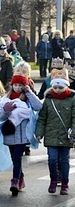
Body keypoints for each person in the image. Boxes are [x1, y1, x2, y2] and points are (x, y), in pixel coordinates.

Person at [0, 73, 43, 196]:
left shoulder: (27, 99)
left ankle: (14, 182)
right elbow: (0, 116)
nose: (17, 87)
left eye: (20, 85)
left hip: (23, 134)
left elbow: (38, 106)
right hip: (10, 133)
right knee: (14, 158)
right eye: (15, 85)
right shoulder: (6, 98)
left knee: (17, 157)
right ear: (12, 85)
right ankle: (20, 178)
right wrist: (6, 111)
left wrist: (29, 92)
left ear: (24, 86)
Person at [35, 67, 75, 195]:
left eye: (60, 88)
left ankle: (65, 183)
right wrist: (39, 133)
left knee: (64, 160)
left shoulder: (72, 99)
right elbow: (42, 118)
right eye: (55, 87)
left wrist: (73, 132)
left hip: (66, 136)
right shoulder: (48, 100)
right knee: (52, 159)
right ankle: (53, 180)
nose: (57, 90)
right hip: (51, 134)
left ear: (66, 86)